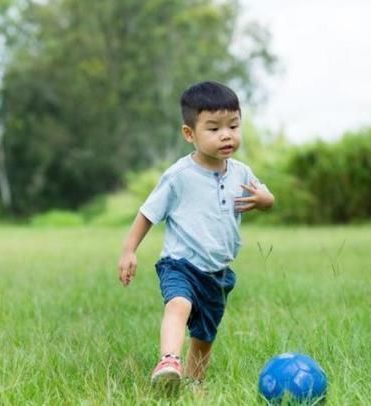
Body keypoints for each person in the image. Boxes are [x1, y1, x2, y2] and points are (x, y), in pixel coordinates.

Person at [117, 81, 275, 388]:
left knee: (204, 335)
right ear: (190, 134)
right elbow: (148, 213)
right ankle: (169, 360)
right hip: (180, 264)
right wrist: (129, 250)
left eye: (233, 125)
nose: (226, 134)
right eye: (214, 128)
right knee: (179, 304)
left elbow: (266, 196)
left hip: (218, 272)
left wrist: (265, 200)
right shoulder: (179, 176)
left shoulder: (241, 173)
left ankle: (193, 384)